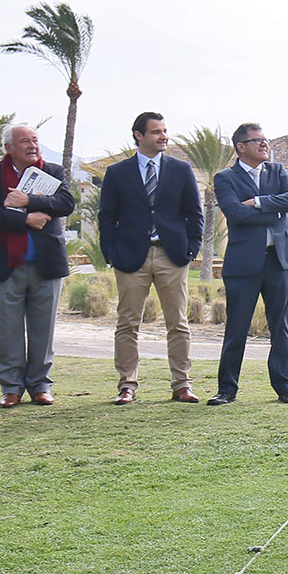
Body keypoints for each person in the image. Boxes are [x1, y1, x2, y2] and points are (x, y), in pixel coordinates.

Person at [98, 111, 203, 404]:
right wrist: (111, 253)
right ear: (138, 136)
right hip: (131, 257)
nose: (163, 136)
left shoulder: (181, 170)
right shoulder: (118, 173)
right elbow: (106, 216)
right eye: (156, 132)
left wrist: (190, 249)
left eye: (165, 131)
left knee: (178, 323)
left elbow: (195, 214)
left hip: (172, 256)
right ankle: (127, 385)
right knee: (127, 323)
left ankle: (182, 384)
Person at [0, 124, 76, 407]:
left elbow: (66, 203)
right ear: (8, 147)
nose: (32, 146)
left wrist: (28, 200)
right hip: (4, 263)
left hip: (46, 263)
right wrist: (25, 219)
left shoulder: (53, 171)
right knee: (5, 330)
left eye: (35, 140)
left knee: (43, 330)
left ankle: (40, 385)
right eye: (24, 142)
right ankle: (11, 387)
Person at [208, 123, 288, 405]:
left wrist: (258, 202)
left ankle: (285, 387)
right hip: (243, 266)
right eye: (258, 140)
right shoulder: (225, 178)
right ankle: (227, 390)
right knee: (236, 328)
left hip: (279, 262)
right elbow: (235, 213)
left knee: (280, 328)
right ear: (241, 146)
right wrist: (275, 210)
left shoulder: (278, 171)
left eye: (266, 139)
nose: (265, 144)